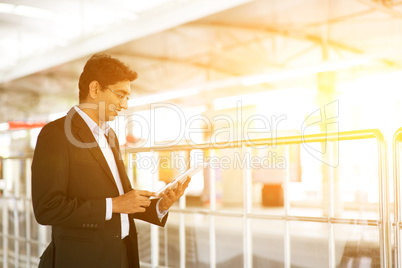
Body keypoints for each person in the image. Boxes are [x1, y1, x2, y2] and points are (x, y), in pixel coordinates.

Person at [31, 53, 190, 268]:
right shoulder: (57, 134)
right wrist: (113, 205)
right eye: (120, 95)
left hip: (123, 253)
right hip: (84, 260)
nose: (124, 105)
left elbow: (121, 197)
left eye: (127, 97)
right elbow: (47, 208)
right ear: (95, 89)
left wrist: (160, 205)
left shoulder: (110, 136)